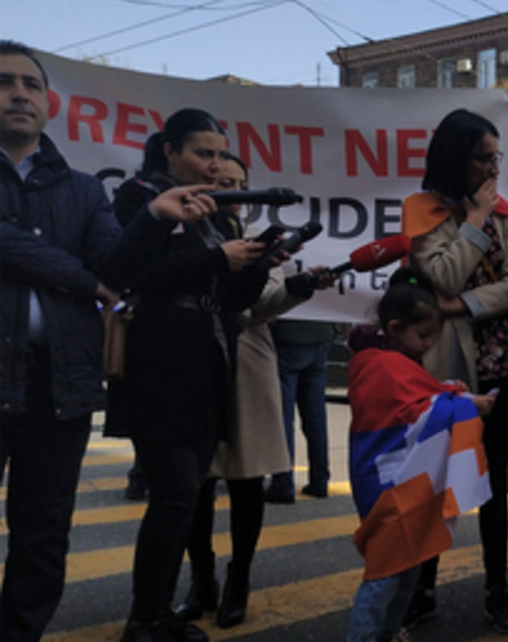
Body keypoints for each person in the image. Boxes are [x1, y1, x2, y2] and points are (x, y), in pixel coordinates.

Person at [0, 40, 217, 642]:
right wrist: (78, 277)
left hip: (58, 387)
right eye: (4, 83)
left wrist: (154, 219)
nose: (19, 93)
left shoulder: (83, 190)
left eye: (30, 85)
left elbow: (116, 269)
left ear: (48, 103)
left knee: (43, 539)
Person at [107, 108, 270, 642]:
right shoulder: (139, 199)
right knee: (175, 496)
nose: (214, 164)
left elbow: (231, 298)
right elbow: (135, 273)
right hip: (159, 360)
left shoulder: (216, 212)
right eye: (203, 152)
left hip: (208, 361)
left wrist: (261, 261)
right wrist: (218, 259)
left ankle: (155, 613)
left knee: (184, 496)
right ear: (169, 150)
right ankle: (145, 618)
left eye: (220, 153)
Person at [175, 153, 335, 629]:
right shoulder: (181, 237)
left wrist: (301, 285)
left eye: (239, 185)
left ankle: (238, 578)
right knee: (194, 484)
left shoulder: (258, 244)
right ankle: (201, 581)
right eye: (221, 184)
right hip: (194, 365)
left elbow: (265, 305)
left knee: (248, 482)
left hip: (248, 365)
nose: (231, 194)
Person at [400, 108, 508, 635]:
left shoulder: (506, 214)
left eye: (497, 158)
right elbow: (441, 276)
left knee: (493, 481)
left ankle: (497, 591)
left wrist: (464, 304)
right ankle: (423, 589)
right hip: (448, 369)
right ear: (458, 158)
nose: (493, 169)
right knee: (437, 478)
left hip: (502, 365)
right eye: (484, 158)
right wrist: (473, 224)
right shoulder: (424, 211)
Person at [343, 266, 496, 642]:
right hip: (387, 481)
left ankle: (389, 632)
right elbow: (415, 414)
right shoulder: (382, 365)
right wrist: (466, 404)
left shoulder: (386, 360)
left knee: (407, 564)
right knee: (384, 571)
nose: (428, 344)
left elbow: (417, 402)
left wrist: (446, 392)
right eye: (423, 335)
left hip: (395, 476)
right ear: (395, 328)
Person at [266, 315, 338, 503]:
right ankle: (319, 480)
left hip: (288, 336)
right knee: (316, 417)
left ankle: (283, 482)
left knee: (284, 417)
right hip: (320, 336)